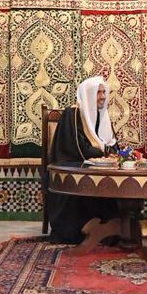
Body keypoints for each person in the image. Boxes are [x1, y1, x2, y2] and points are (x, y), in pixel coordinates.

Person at [46, 76, 118, 244]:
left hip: (97, 169)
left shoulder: (102, 115)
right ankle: (91, 230)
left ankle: (113, 230)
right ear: (88, 95)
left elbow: (112, 144)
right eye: (98, 93)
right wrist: (106, 155)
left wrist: (113, 155)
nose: (102, 97)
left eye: (103, 92)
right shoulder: (73, 114)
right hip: (72, 173)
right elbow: (80, 149)